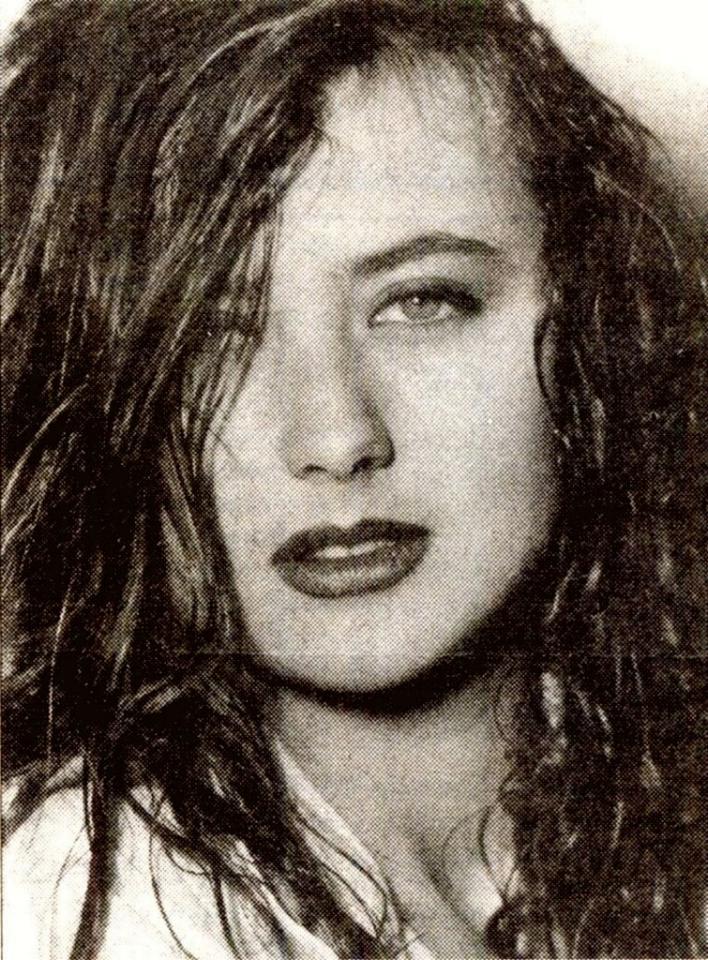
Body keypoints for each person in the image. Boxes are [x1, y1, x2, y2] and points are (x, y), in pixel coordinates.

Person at [1, 0, 705, 957]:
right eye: (207, 337)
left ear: (596, 321)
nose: (336, 438)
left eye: (422, 301)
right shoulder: (61, 906)